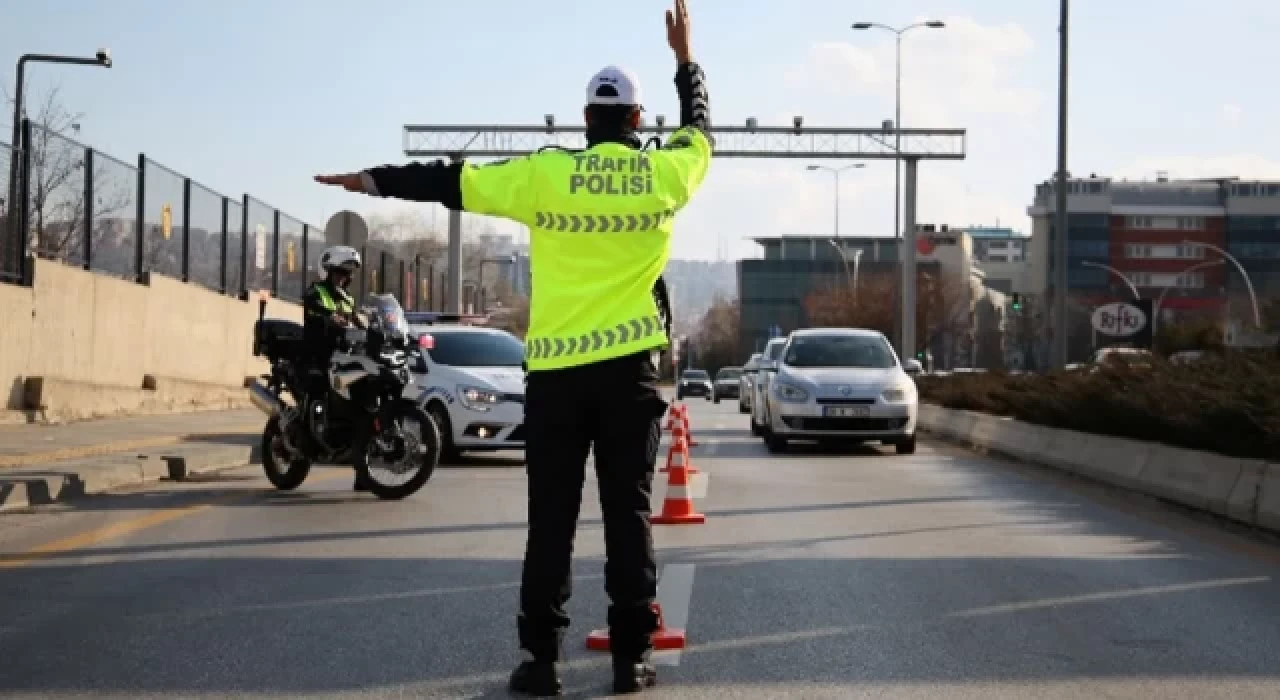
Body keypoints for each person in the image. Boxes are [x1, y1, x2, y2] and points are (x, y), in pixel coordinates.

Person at [314, 1, 710, 692]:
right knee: (629, 516)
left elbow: (450, 180)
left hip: (557, 378)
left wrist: (373, 179)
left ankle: (541, 663)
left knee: (550, 524)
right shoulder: (665, 175)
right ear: (638, 122)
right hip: (629, 378)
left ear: (587, 119)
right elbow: (700, 131)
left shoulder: (543, 173)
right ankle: (629, 659)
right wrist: (685, 61)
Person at [302, 245, 370, 492]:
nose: (344, 278)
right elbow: (314, 308)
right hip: (318, 356)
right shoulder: (316, 292)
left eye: (347, 274)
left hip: (343, 357)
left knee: (360, 408)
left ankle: (363, 472)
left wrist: (370, 325)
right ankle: (311, 431)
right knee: (319, 392)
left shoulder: (348, 298)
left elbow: (356, 319)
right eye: (340, 272)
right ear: (328, 272)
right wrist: (330, 316)